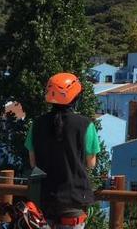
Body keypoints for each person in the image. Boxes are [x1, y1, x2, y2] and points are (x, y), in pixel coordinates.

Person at [26, 73, 100, 229]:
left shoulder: (37, 124)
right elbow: (91, 163)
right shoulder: (86, 125)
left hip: (44, 201)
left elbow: (33, 163)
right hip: (74, 200)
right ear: (75, 97)